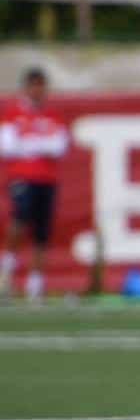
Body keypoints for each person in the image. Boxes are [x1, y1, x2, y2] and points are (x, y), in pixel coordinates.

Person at [1, 68, 69, 301]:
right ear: (26, 87)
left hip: (47, 177)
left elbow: (59, 146)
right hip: (22, 176)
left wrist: (29, 143)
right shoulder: (13, 114)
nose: (38, 90)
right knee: (20, 217)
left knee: (42, 230)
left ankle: (35, 282)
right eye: (34, 85)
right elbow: (7, 146)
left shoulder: (52, 116)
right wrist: (41, 144)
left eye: (41, 85)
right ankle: (7, 267)